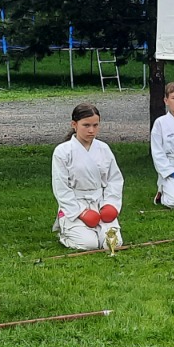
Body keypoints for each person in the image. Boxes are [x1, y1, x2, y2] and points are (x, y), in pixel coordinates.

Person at [51, 102, 124, 250]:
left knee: (113, 244)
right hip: (76, 204)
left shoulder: (103, 148)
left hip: (100, 202)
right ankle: (65, 233)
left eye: (95, 125)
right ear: (74, 124)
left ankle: (100, 230)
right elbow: (61, 187)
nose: (91, 130)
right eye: (86, 125)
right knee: (88, 244)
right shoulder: (62, 151)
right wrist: (80, 212)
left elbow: (114, 179)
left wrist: (110, 204)